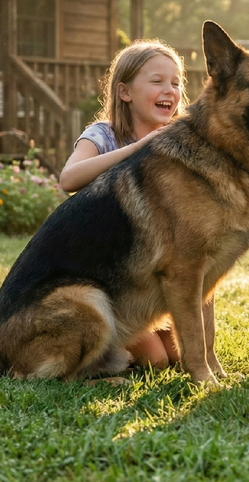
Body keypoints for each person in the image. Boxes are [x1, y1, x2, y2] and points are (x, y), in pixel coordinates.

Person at [58, 40, 189, 369]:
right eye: (157, 81)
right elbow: (69, 179)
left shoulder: (180, 138)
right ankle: (98, 367)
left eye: (176, 83)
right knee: (157, 360)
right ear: (125, 91)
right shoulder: (104, 134)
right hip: (110, 281)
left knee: (178, 355)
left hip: (151, 276)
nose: (169, 90)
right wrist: (139, 148)